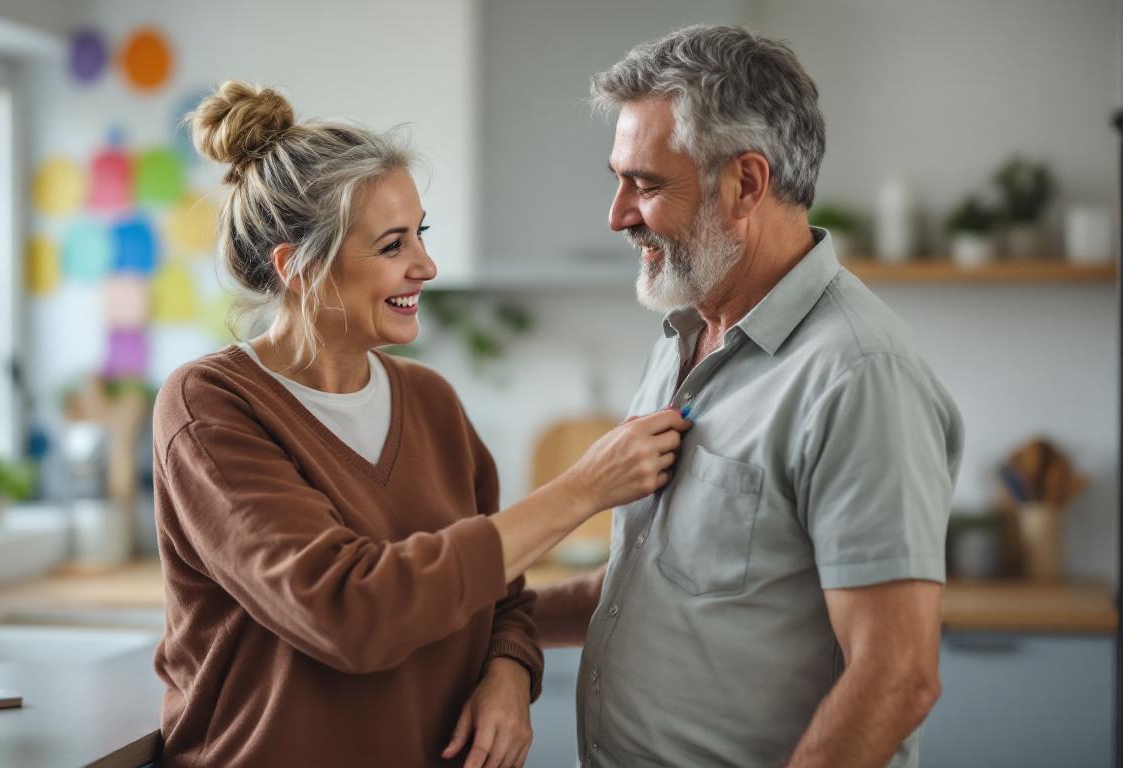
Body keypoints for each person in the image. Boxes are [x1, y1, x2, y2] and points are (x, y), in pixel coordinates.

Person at [151, 81, 690, 768]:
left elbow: (501, 599)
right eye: (391, 245)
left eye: (421, 234)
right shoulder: (210, 406)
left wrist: (510, 675)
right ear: (297, 267)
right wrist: (582, 489)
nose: (425, 265)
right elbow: (350, 613)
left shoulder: (429, 401)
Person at [532, 25, 964, 768]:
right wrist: (483, 623)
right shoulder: (684, 335)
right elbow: (670, 580)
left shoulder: (857, 374)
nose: (618, 215)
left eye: (645, 183)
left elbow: (896, 677)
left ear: (746, 185)